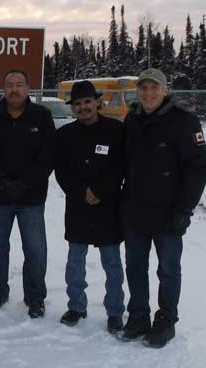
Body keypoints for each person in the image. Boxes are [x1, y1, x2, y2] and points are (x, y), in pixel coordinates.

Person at [118, 68, 206, 348]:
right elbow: (123, 163)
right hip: (135, 210)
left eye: (154, 88)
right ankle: (138, 317)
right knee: (135, 266)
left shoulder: (184, 121)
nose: (148, 93)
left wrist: (185, 208)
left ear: (164, 90)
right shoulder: (132, 119)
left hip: (169, 213)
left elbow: (200, 166)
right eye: (143, 88)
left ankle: (166, 321)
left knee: (168, 269)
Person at [0, 69, 55, 318]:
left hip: (31, 198)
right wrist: (2, 181)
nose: (14, 89)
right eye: (9, 84)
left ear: (28, 87)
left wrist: (23, 183)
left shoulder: (41, 116)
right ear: (4, 89)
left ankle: (35, 298)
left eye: (19, 84)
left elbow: (47, 156)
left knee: (35, 249)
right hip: (0, 196)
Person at [54, 80, 125, 332]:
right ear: (72, 107)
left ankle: (115, 311)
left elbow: (120, 167)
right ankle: (76, 306)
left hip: (108, 208)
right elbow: (61, 171)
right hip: (78, 207)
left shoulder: (116, 130)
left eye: (87, 102)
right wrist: (81, 191)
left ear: (97, 102)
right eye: (77, 104)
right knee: (75, 261)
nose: (83, 107)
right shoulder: (64, 135)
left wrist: (100, 191)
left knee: (112, 264)